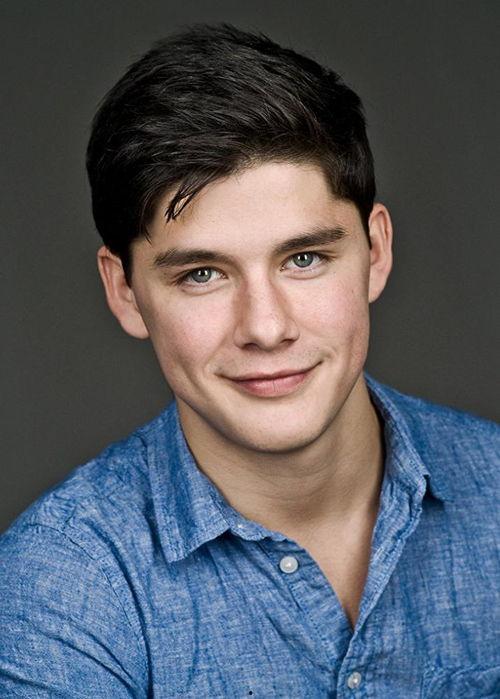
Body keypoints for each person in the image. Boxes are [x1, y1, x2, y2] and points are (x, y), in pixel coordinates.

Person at [0, 23, 498, 698]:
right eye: (202, 274)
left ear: (376, 253)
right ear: (125, 292)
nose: (265, 328)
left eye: (305, 259)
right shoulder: (58, 586)